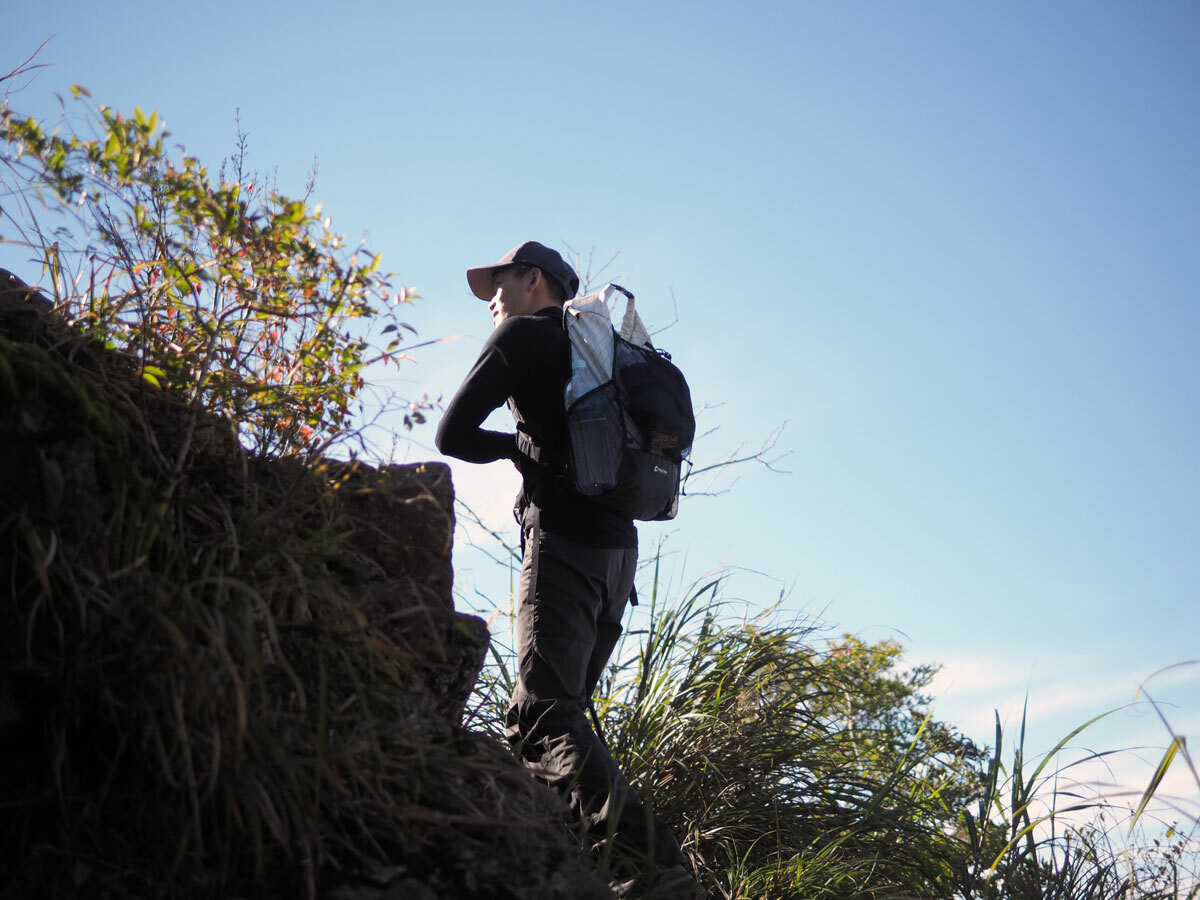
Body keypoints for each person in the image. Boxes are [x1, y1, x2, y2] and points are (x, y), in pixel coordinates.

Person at [435, 241, 704, 899]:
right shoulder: (606, 347)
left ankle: (654, 866)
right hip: (618, 560)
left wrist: (515, 449)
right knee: (558, 719)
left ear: (533, 279)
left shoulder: (523, 336)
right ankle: (583, 869)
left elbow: (451, 435)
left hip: (564, 547)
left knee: (542, 717)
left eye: (498, 283)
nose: (492, 300)